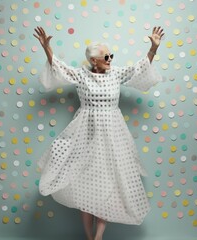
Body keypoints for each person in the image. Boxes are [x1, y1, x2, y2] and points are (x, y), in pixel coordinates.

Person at [34, 26, 164, 240]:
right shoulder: (81, 75)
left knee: (109, 187)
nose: (110, 58)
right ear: (94, 60)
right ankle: (89, 238)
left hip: (113, 137)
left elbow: (138, 69)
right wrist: (47, 48)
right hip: (85, 136)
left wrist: (153, 49)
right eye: (106, 56)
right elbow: (60, 68)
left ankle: (98, 237)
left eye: (111, 55)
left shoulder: (116, 74)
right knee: (86, 189)